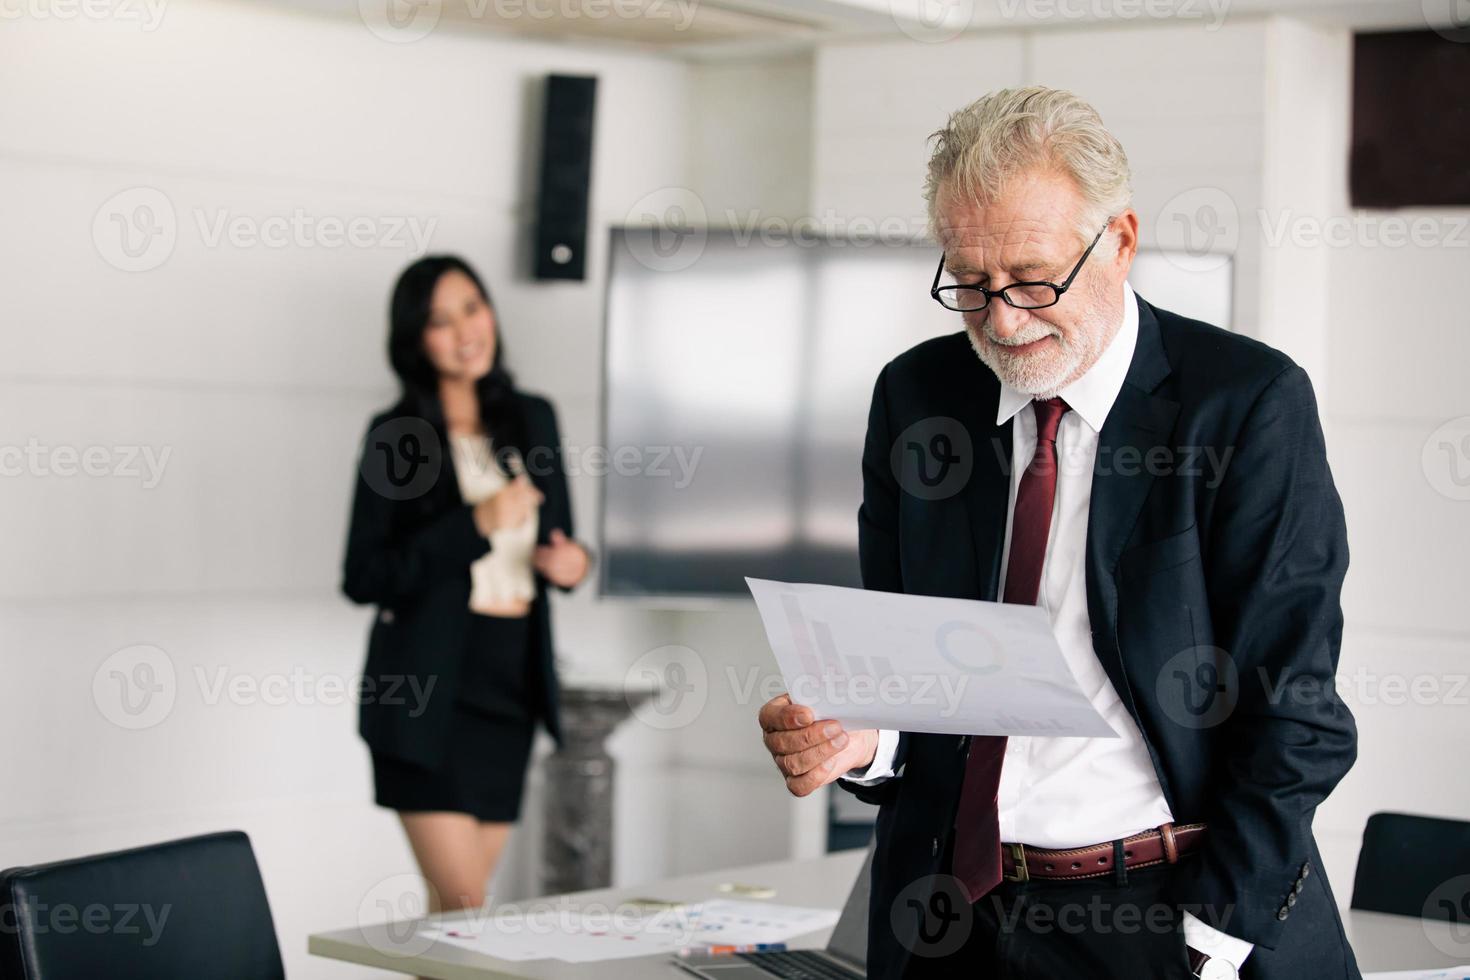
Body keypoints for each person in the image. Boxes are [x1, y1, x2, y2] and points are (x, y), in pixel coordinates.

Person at [757, 87, 1358, 980]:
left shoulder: (1245, 405)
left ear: (1118, 241)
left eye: (1034, 279)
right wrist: (861, 740)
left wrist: (1208, 949)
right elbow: (911, 678)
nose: (1002, 320)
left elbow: (1296, 717)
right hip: (949, 916)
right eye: (969, 282)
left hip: (1168, 917)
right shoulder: (920, 400)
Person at [342, 255, 591, 913]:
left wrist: (575, 564)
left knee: (458, 924)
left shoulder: (533, 417)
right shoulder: (395, 436)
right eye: (440, 321)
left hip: (509, 692)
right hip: (427, 695)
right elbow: (364, 576)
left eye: (473, 308)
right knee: (462, 906)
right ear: (414, 340)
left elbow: (561, 540)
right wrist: (473, 524)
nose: (465, 331)